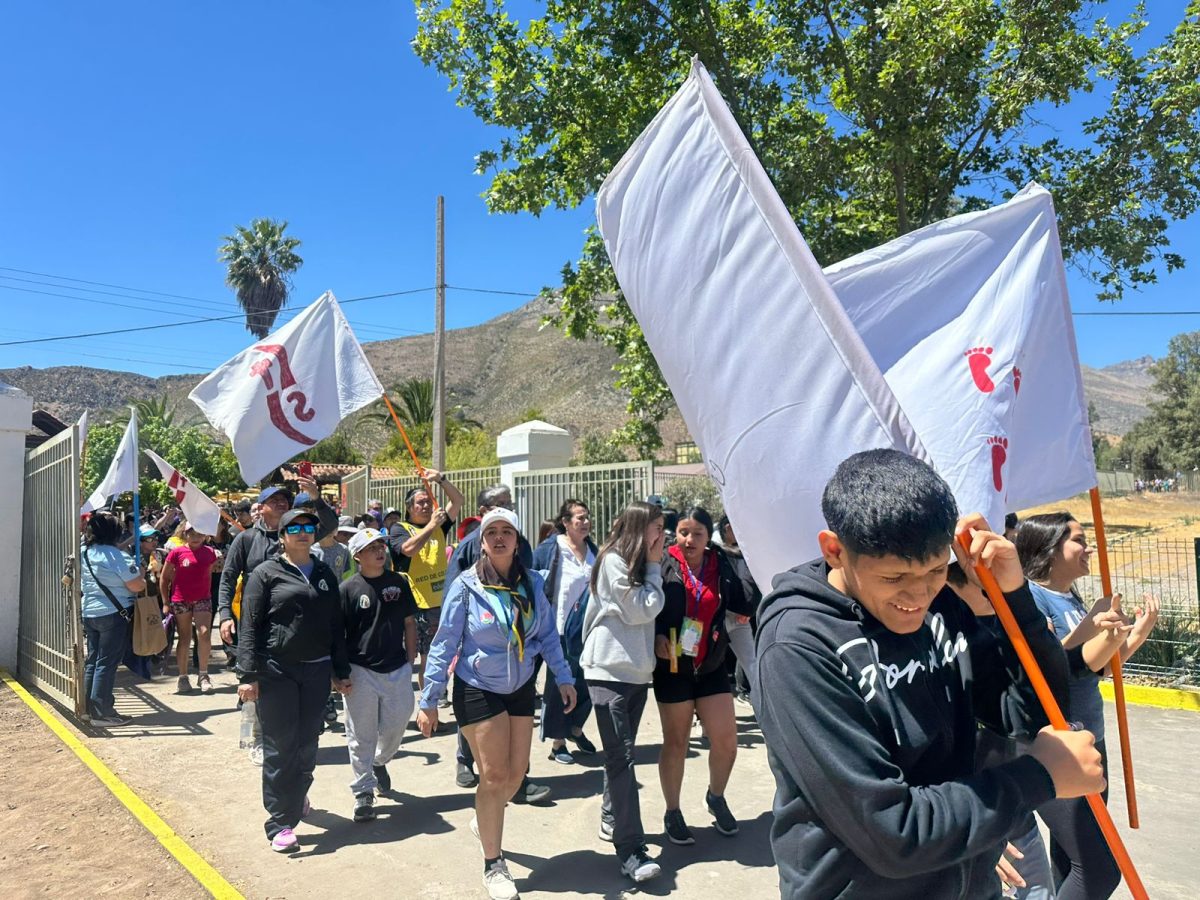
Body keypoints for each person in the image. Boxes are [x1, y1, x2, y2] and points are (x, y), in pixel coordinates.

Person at [754, 449, 1104, 898]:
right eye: (894, 577)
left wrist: (1013, 597)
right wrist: (1038, 778)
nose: (917, 595)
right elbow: (892, 834)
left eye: (936, 569)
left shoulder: (942, 605)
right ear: (835, 551)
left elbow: (1031, 713)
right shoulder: (797, 646)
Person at [417, 507, 577, 900]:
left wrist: (565, 676)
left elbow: (549, 635)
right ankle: (494, 863)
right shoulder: (468, 585)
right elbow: (443, 644)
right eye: (493, 532)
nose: (500, 537)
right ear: (483, 541)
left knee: (516, 775)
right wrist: (429, 698)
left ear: (517, 540)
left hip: (521, 684)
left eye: (508, 531)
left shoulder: (533, 582)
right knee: (492, 775)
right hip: (478, 685)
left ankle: (484, 815)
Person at [1015, 512, 1159, 900]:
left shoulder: (1075, 600)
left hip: (1091, 736)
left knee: (1071, 857)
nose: (1089, 548)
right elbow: (1052, 667)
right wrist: (1099, 631)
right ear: (1049, 549)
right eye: (1078, 540)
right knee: (1099, 868)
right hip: (1057, 745)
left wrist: (1135, 633)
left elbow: (1094, 669)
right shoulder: (1030, 598)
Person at [237, 507, 352, 853]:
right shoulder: (265, 573)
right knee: (279, 747)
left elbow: (335, 626)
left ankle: (296, 795)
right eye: (295, 527)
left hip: (316, 670)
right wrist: (247, 674)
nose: (303, 532)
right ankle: (280, 822)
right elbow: (250, 626)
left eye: (308, 527)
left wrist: (340, 671)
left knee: (306, 745)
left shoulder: (323, 574)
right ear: (282, 535)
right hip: (277, 671)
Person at [652, 506, 753, 844]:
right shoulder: (663, 562)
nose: (689, 539)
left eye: (697, 533)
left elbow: (742, 599)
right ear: (674, 533)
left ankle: (716, 796)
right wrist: (656, 636)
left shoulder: (721, 563)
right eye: (683, 532)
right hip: (672, 666)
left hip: (710, 663)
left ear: (708, 535)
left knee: (726, 740)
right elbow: (648, 606)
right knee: (676, 742)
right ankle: (673, 811)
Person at [580, 500, 667, 883]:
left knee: (620, 756)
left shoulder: (641, 564)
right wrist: (652, 567)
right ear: (640, 527)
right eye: (657, 526)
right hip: (607, 673)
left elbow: (647, 608)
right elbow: (640, 610)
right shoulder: (614, 560)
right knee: (623, 757)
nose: (662, 534)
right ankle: (631, 848)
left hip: (636, 674)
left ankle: (612, 815)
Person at [445, 484, 548, 802]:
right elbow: (453, 591)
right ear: (483, 512)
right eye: (499, 504)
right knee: (478, 711)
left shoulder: (522, 544)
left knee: (515, 720)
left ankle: (518, 777)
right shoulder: (467, 547)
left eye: (509, 504)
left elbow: (530, 583)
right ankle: (466, 759)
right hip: (479, 646)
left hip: (520, 644)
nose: (506, 508)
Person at [339, 528, 418, 823]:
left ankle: (379, 761)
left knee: (398, 722)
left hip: (396, 667)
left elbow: (409, 622)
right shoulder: (348, 589)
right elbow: (339, 634)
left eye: (381, 545)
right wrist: (340, 672)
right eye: (371, 547)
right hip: (360, 670)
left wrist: (411, 660)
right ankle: (363, 793)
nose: (379, 551)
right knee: (361, 734)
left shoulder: (398, 582)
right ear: (358, 556)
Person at [532, 498, 599, 764]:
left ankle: (576, 728)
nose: (584, 522)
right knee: (561, 685)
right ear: (565, 522)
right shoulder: (550, 549)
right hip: (557, 630)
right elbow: (532, 581)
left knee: (591, 682)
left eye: (586, 517)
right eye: (579, 518)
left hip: (589, 631)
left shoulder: (595, 551)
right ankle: (558, 743)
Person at [388, 471, 464, 690]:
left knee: (439, 655)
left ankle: (434, 699)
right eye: (420, 503)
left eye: (429, 502)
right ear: (409, 507)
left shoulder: (440, 524)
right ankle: (427, 706)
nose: (427, 506)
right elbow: (408, 550)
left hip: (441, 602)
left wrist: (440, 480)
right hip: (415, 605)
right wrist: (431, 526)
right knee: (425, 658)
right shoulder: (400, 528)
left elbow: (458, 500)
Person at [80, 512, 146, 726]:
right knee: (106, 663)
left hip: (90, 612)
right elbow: (136, 585)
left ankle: (88, 709)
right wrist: (142, 577)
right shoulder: (116, 556)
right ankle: (102, 712)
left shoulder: (84, 551)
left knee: (93, 661)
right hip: (114, 613)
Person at [160, 522, 219, 695]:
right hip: (180, 600)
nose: (196, 537)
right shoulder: (176, 553)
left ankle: (203, 675)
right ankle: (183, 676)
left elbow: (209, 573)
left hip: (203, 599)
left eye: (200, 534)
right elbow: (164, 579)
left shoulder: (210, 553)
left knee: (204, 633)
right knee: (184, 637)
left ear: (206, 536)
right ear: (185, 534)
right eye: (192, 533)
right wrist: (165, 602)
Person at [713, 514, 761, 706]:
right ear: (726, 529)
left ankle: (765, 712)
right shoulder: (715, 552)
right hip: (717, 617)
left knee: (753, 665)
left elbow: (755, 584)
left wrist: (749, 611)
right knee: (710, 667)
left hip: (740, 619)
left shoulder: (749, 552)